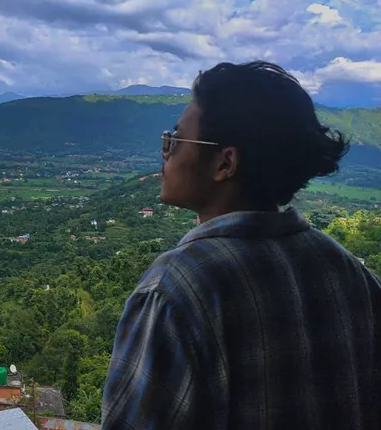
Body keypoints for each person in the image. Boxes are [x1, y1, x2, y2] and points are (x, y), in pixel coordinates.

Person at [100, 61, 381, 429]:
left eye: (176, 138)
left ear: (225, 163)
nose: (165, 152)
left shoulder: (176, 289)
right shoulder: (349, 272)